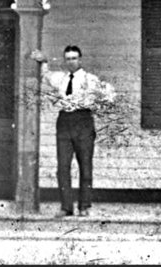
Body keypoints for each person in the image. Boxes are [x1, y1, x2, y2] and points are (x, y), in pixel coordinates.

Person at [30, 44, 115, 217]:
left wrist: (95, 105)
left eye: (74, 58)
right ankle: (66, 207)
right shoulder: (60, 78)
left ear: (80, 59)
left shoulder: (89, 79)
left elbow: (110, 95)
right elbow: (45, 76)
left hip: (83, 121)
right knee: (62, 167)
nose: (71, 62)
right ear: (65, 60)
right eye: (68, 59)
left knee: (85, 166)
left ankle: (84, 206)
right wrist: (44, 61)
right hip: (64, 122)